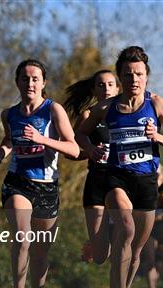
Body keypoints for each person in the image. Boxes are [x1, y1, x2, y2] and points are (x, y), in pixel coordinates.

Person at [77, 46, 163, 288]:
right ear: (120, 77)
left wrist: (158, 137)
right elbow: (80, 134)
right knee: (126, 229)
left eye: (138, 74)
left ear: (146, 77)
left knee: (136, 250)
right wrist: (90, 149)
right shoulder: (107, 108)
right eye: (127, 74)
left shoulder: (157, 104)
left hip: (146, 182)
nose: (133, 79)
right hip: (116, 178)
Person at [0, 59, 79, 288]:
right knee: (22, 238)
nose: (30, 83)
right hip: (17, 183)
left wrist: (42, 139)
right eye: (25, 79)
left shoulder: (53, 110)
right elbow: (9, 140)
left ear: (43, 82)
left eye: (35, 78)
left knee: (40, 253)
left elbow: (73, 149)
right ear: (17, 82)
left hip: (47, 187)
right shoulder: (9, 114)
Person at [64, 69, 120, 264]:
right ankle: (95, 242)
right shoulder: (88, 115)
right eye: (101, 85)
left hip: (123, 182)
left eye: (111, 84)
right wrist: (89, 151)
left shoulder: (128, 113)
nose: (106, 89)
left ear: (118, 88)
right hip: (97, 181)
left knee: (125, 236)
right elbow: (69, 151)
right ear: (94, 90)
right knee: (100, 256)